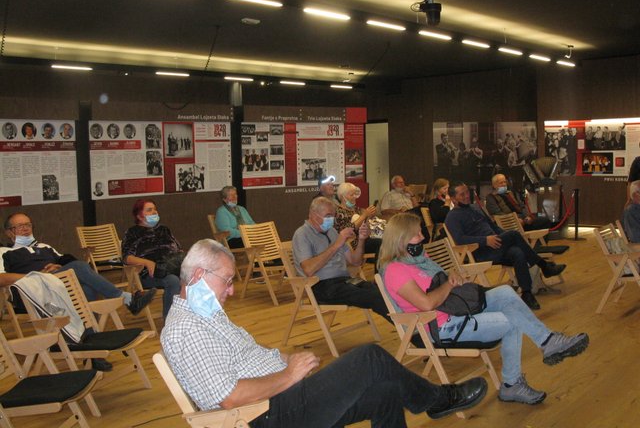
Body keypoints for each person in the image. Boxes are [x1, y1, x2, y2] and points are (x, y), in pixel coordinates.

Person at [160, 238, 488, 427]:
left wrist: (287, 360)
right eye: (228, 280)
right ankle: (439, 399)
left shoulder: (206, 314)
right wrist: (289, 374)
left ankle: (436, 399)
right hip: (264, 414)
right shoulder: (186, 328)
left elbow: (246, 358)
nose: (231, 290)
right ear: (199, 275)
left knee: (386, 390)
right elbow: (230, 397)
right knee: (370, 357)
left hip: (281, 396)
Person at [379, 212, 589, 405]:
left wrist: (453, 276)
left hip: (455, 309)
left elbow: (440, 281)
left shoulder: (419, 259)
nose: (422, 237)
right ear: (401, 239)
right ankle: (512, 383)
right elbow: (426, 303)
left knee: (506, 293)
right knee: (511, 321)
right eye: (416, 234)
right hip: (439, 327)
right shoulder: (395, 270)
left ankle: (547, 341)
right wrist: (449, 284)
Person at [0, 213, 156, 315]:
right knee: (80, 266)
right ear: (8, 232)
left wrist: (59, 267)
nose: (26, 229)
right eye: (20, 226)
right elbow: (2, 278)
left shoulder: (44, 247)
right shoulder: (4, 252)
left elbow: (67, 261)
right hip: (32, 291)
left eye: (28, 225)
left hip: (58, 285)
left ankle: (91, 337)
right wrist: (36, 276)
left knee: (87, 288)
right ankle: (127, 299)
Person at [445, 181, 566, 310]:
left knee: (517, 252)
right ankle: (543, 265)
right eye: (462, 194)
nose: (466, 196)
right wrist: (485, 240)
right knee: (514, 235)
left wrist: (504, 237)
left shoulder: (475, 208)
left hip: (496, 244)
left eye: (467, 192)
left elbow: (493, 226)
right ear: (453, 199)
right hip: (480, 251)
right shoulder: (452, 217)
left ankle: (527, 293)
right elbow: (459, 240)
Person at [292, 197, 391, 324]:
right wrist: (336, 244)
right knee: (374, 297)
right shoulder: (302, 234)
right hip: (322, 286)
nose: (331, 219)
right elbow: (308, 269)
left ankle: (409, 326)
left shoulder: (332, 232)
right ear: (313, 215)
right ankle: (408, 329)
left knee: (384, 291)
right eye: (328, 216)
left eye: (333, 216)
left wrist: (361, 240)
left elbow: (356, 261)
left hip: (344, 281)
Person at [122, 199, 182, 318]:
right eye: (149, 210)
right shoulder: (132, 232)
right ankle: (170, 321)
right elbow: (126, 258)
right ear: (139, 216)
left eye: (155, 209)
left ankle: (194, 319)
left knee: (197, 276)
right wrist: (146, 262)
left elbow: (178, 250)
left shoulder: (164, 229)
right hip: (149, 273)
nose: (154, 212)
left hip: (171, 267)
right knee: (173, 281)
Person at [485, 174, 551, 231]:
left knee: (544, 215)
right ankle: (535, 241)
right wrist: (516, 220)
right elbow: (498, 214)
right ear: (494, 185)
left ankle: (538, 240)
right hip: (512, 224)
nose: (504, 184)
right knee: (543, 220)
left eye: (505, 182)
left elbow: (521, 207)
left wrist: (527, 217)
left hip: (523, 219)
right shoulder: (490, 198)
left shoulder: (510, 193)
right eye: (501, 183)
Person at [334, 182, 380, 259]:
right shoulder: (338, 212)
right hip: (352, 245)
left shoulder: (357, 209)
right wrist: (364, 215)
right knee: (379, 243)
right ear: (342, 197)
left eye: (355, 194)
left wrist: (369, 216)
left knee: (384, 241)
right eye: (351, 195)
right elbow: (349, 229)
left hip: (363, 240)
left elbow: (367, 229)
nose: (354, 197)